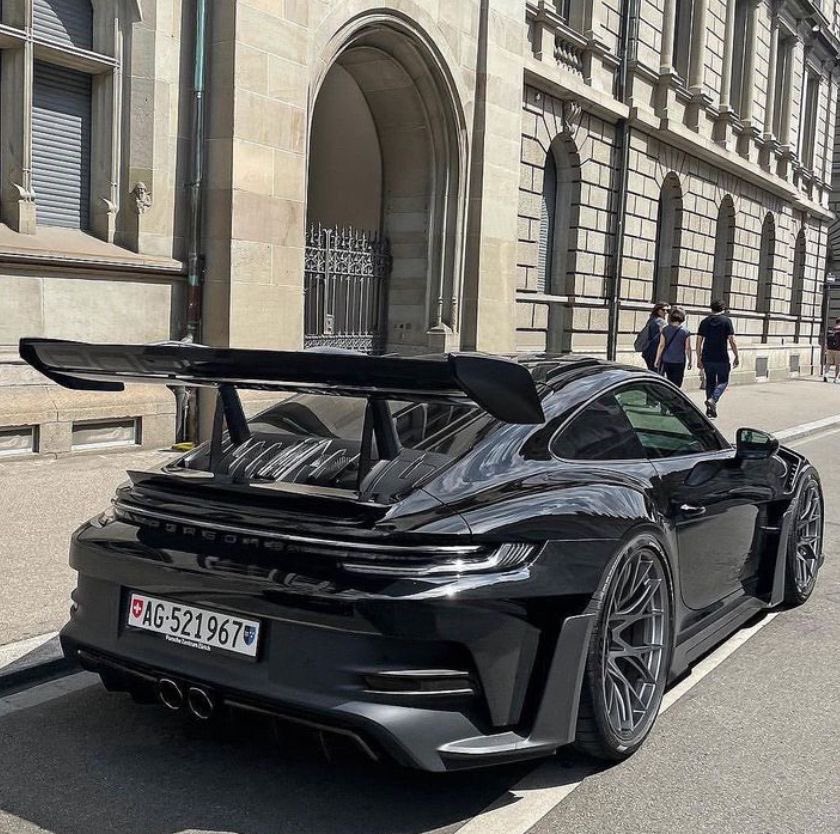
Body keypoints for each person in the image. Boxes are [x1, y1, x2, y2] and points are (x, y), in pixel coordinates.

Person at [696, 299, 739, 419]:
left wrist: (698, 357)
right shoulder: (726, 321)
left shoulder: (704, 322)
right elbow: (732, 340)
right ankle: (713, 399)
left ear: (711, 308)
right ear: (723, 309)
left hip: (707, 357)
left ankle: (710, 410)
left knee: (710, 382)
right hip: (721, 357)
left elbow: (699, 341)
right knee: (723, 381)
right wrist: (736, 355)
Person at [654, 307, 692, 387]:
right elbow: (688, 348)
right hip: (679, 361)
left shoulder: (665, 330)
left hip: (667, 360)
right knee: (677, 383)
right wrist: (690, 360)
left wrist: (657, 359)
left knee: (668, 381)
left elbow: (661, 345)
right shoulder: (686, 331)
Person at [637, 303, 669, 371]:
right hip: (656, 353)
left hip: (648, 352)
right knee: (659, 375)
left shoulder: (651, 320)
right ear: (657, 310)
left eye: (667, 310)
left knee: (652, 372)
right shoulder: (661, 322)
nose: (666, 312)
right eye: (663, 310)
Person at [823, 318, 840, 383]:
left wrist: (826, 348)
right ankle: (836, 378)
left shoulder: (832, 328)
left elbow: (827, 339)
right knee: (838, 365)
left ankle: (826, 375)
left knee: (828, 363)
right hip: (838, 350)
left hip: (830, 348)